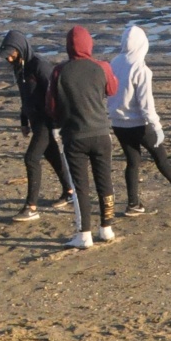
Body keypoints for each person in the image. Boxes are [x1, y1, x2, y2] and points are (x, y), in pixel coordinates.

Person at [108, 24, 171, 216]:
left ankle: (133, 204)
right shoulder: (141, 69)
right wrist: (156, 126)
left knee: (132, 161)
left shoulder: (114, 63)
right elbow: (146, 103)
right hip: (138, 123)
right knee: (160, 156)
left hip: (118, 122)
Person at [50, 25, 119, 246]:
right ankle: (106, 228)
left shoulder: (59, 71)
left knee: (80, 186)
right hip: (101, 132)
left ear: (69, 46)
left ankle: (84, 234)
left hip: (74, 136)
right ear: (89, 44)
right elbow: (113, 89)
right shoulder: (102, 67)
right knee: (104, 181)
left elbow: (51, 105)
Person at [0, 30, 72, 222]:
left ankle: (31, 207)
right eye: (6, 56)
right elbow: (25, 98)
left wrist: (57, 123)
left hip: (47, 121)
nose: (8, 59)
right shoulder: (18, 68)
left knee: (31, 158)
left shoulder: (40, 66)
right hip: (34, 121)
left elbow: (54, 93)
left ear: (20, 49)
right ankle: (70, 191)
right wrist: (23, 122)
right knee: (52, 155)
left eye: (11, 54)